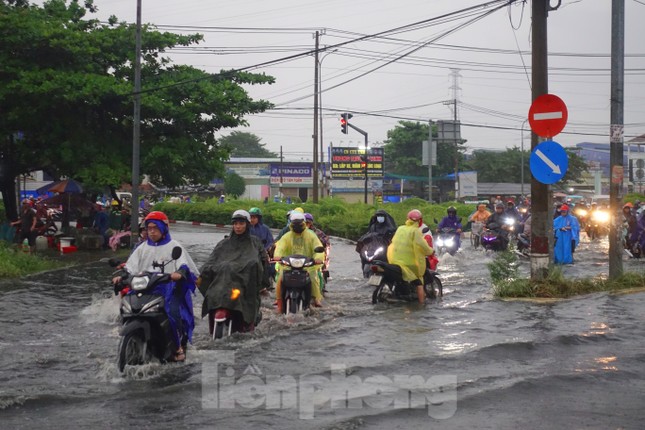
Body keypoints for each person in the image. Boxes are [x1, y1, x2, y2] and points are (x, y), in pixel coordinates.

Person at [112, 211, 199, 362]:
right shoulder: (142, 248)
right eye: (149, 228)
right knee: (128, 307)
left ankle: (178, 347)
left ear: (164, 228)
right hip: (145, 287)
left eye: (155, 228)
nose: (151, 231)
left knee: (172, 312)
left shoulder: (174, 246)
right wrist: (122, 276)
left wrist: (178, 273)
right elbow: (130, 267)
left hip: (169, 288)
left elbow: (184, 266)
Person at [199, 210, 269, 334]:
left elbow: (263, 262)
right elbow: (211, 261)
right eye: (235, 223)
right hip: (221, 287)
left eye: (241, 223)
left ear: (247, 225)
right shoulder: (223, 244)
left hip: (243, 287)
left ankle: (249, 320)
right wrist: (203, 272)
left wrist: (261, 276)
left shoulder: (255, 243)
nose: (238, 226)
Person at [273, 212, 325, 310]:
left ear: (304, 224)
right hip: (288, 265)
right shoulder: (286, 236)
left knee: (313, 278)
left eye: (299, 224)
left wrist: (318, 258)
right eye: (294, 224)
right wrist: (277, 256)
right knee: (280, 279)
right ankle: (279, 303)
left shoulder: (311, 235)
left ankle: (315, 299)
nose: (297, 227)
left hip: (308, 266)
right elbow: (280, 247)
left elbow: (318, 246)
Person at [387, 209, 434, 304]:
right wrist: (431, 251)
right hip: (408, 264)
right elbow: (422, 245)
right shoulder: (415, 231)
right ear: (420, 220)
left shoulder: (400, 228)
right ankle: (421, 305)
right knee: (419, 284)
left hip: (393, 261)